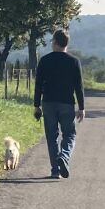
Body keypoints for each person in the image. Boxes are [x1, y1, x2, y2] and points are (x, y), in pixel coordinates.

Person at [33, 28, 85, 178]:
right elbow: (78, 86)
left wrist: (37, 105)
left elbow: (38, 85)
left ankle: (55, 170)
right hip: (67, 103)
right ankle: (64, 156)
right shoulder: (74, 62)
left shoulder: (45, 60)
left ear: (54, 42)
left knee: (51, 136)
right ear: (66, 43)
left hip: (48, 103)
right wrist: (81, 107)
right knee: (69, 134)